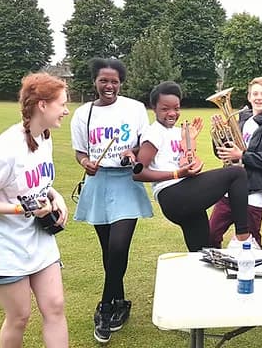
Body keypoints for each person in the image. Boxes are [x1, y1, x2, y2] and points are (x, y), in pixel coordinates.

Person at [0, 73, 69, 347]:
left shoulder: (44, 137)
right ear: (43, 105)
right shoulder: (5, 149)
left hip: (37, 240)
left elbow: (38, 180)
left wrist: (55, 195)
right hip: (5, 246)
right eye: (62, 104)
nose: (67, 110)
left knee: (56, 307)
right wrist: (20, 208)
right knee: (19, 317)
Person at [70, 58, 153, 344]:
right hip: (98, 183)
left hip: (126, 183)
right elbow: (80, 151)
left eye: (114, 81)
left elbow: (144, 142)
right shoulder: (83, 114)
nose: (109, 86)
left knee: (118, 246)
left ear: (121, 83)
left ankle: (105, 308)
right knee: (109, 251)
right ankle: (120, 300)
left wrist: (133, 153)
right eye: (104, 80)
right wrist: (85, 163)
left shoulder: (135, 108)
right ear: (95, 81)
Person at [133, 80, 255, 252]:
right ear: (154, 108)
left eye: (176, 108)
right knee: (237, 174)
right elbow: (138, 173)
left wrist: (190, 142)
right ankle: (243, 238)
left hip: (185, 194)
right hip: (172, 194)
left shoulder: (176, 131)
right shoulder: (153, 133)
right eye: (165, 109)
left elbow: (187, 161)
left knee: (202, 252)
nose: (172, 113)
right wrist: (177, 174)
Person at [208, 76, 262, 249]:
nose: (259, 97)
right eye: (255, 93)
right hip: (231, 187)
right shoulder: (241, 120)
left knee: (251, 240)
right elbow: (224, 154)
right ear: (249, 97)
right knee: (211, 233)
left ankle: (255, 272)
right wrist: (219, 136)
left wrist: (242, 155)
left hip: (256, 189)